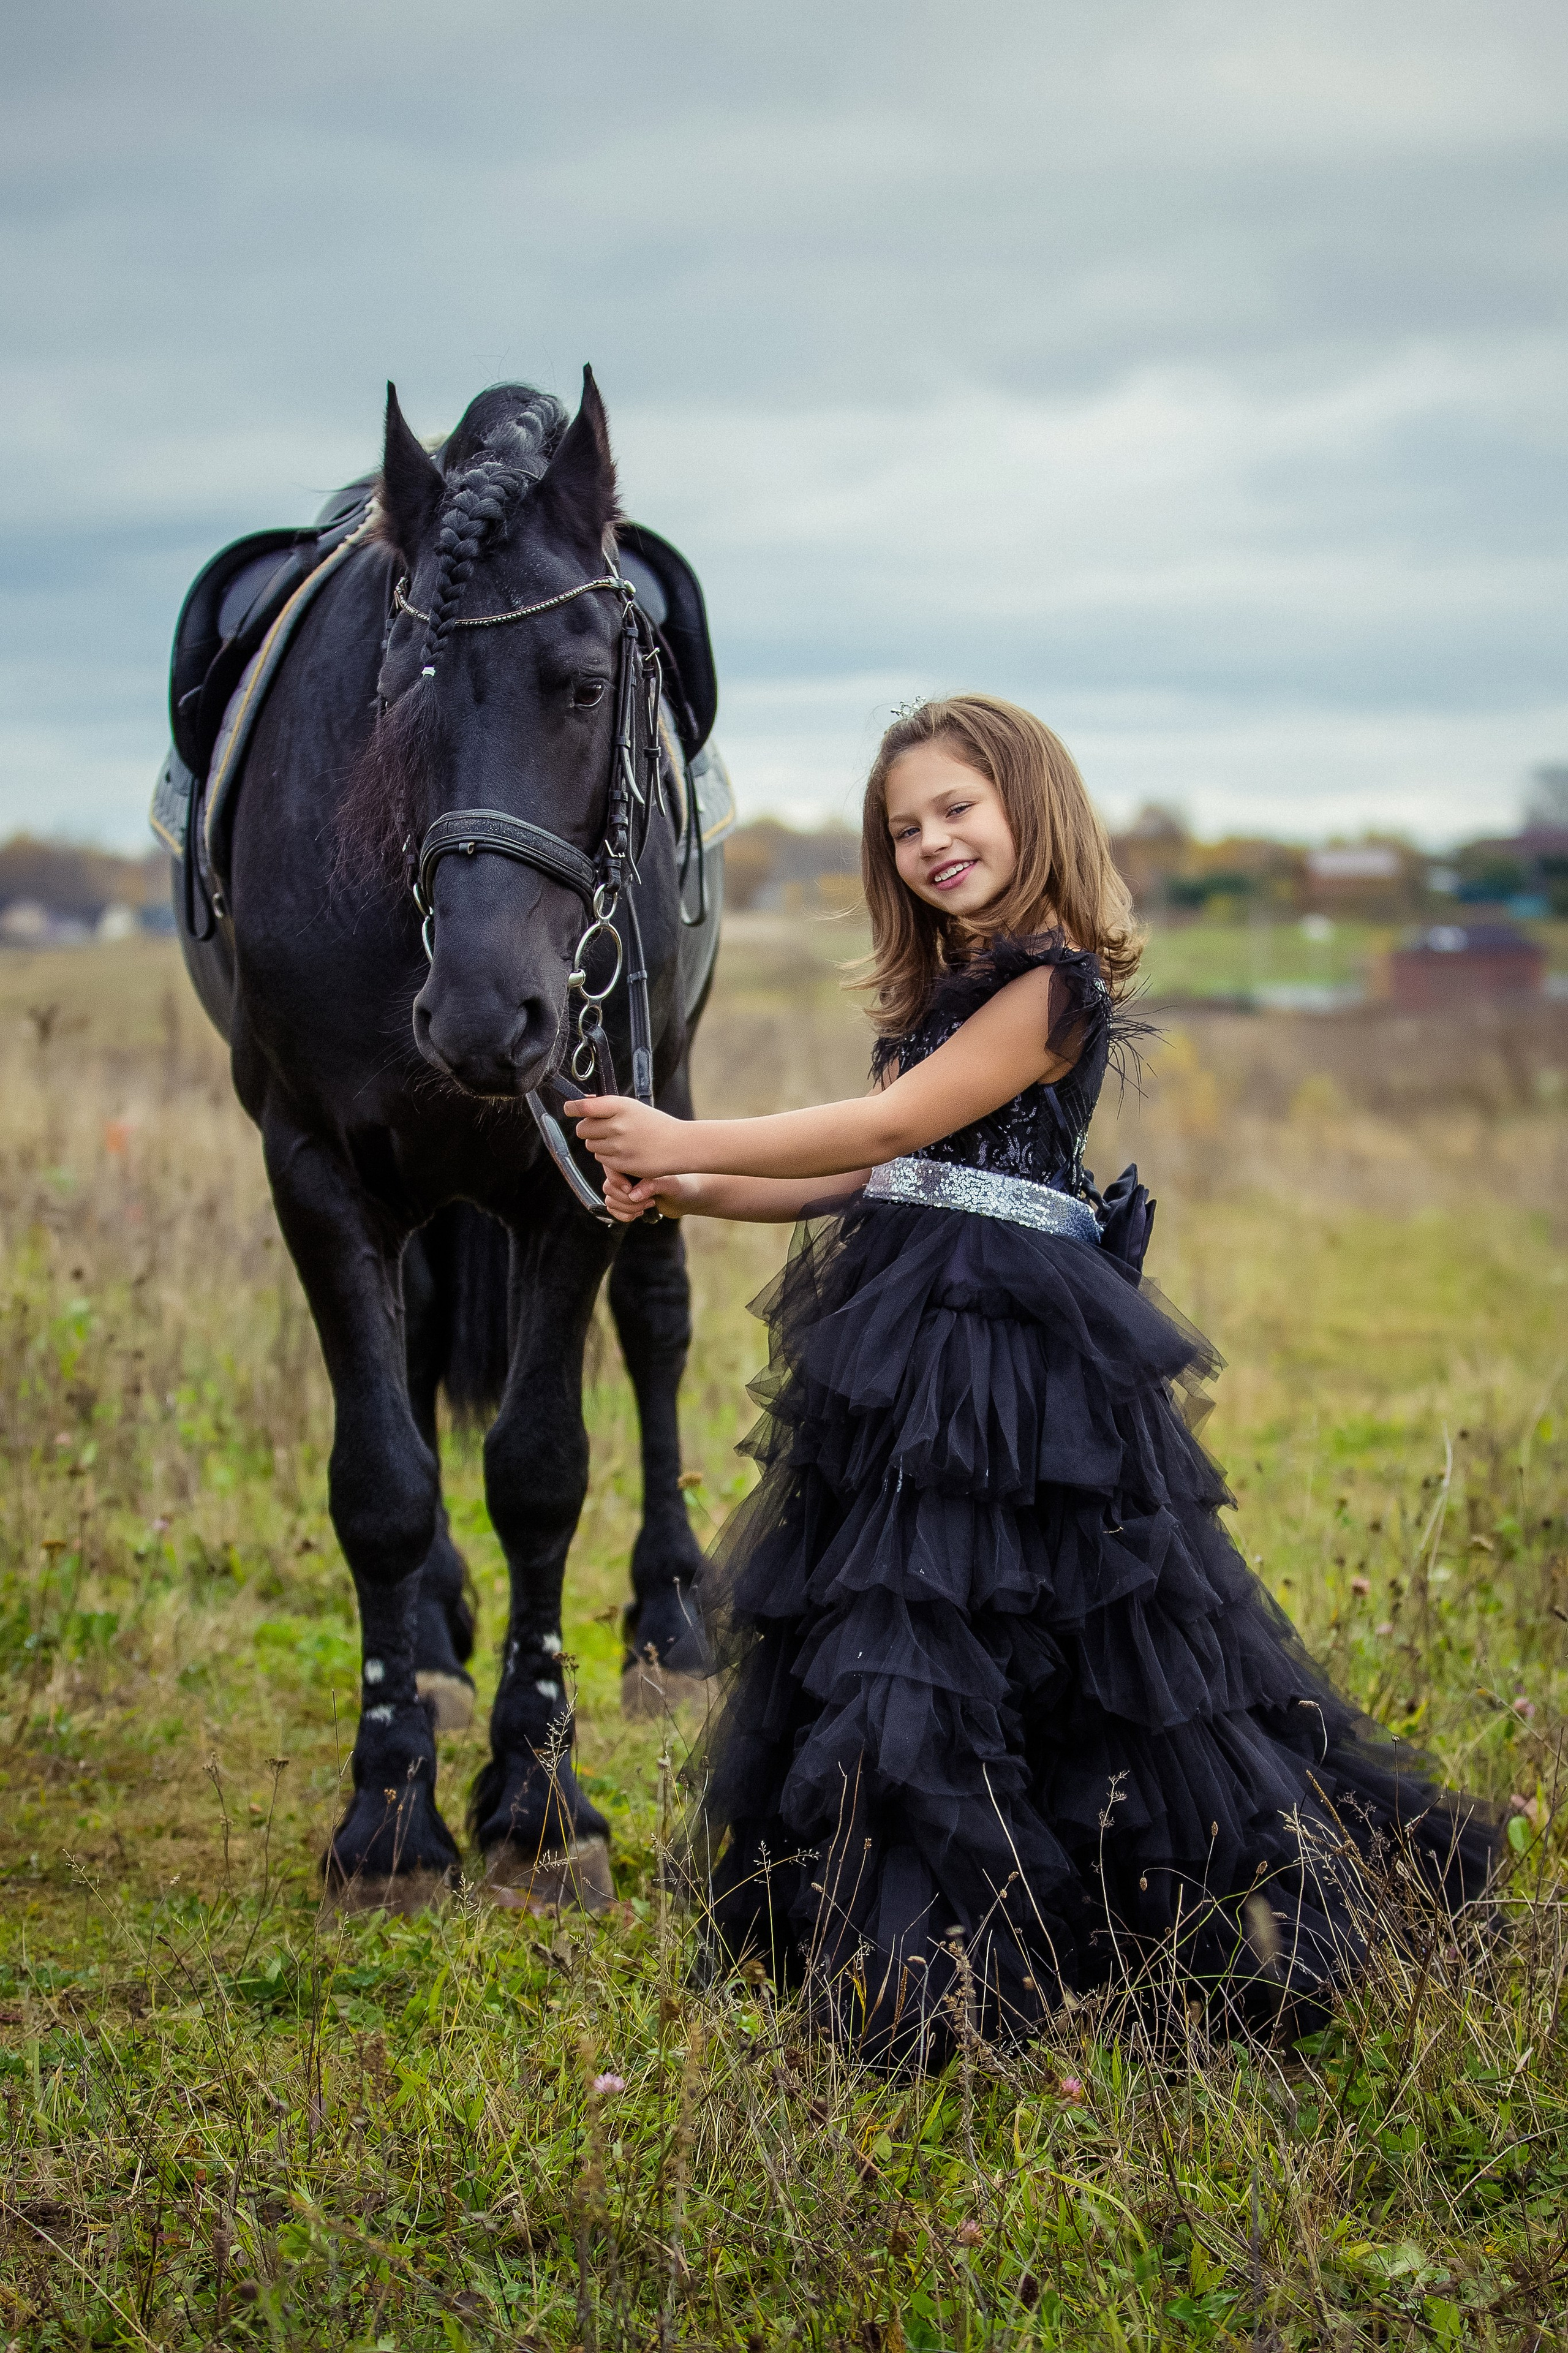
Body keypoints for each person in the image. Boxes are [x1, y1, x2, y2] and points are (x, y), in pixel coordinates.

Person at [568, 693, 1494, 2055]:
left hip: (1008, 1345)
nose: (930, 840)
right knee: (909, 1636)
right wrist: (688, 1183)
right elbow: (885, 1167)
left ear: (1028, 807)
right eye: (902, 827)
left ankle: (1302, 1891)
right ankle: (920, 1963)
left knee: (1087, 1639)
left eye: (955, 808)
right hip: (916, 1323)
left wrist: (684, 1120)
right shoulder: (953, 991)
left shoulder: (1050, 984)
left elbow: (888, 1119)